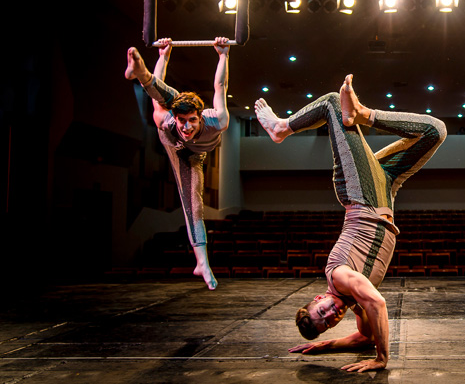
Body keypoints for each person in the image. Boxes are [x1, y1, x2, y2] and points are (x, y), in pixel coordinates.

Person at [255, 74, 446, 372]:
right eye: (329, 322)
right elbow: (364, 338)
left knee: (333, 103)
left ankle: (281, 128)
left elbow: (378, 304)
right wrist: (325, 346)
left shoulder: (340, 277)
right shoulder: (356, 303)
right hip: (385, 187)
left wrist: (382, 359)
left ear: (319, 297)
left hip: (360, 193)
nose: (331, 315)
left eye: (322, 311)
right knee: (435, 131)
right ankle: (363, 114)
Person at [124, 37, 230, 290]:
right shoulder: (168, 121)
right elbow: (158, 98)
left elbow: (220, 86)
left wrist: (223, 55)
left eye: (192, 120)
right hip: (173, 145)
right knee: (163, 100)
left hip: (193, 157)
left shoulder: (218, 120)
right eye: (182, 120)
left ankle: (202, 263)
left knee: (194, 204)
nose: (186, 126)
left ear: (200, 117)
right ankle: (141, 73)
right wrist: (163, 56)